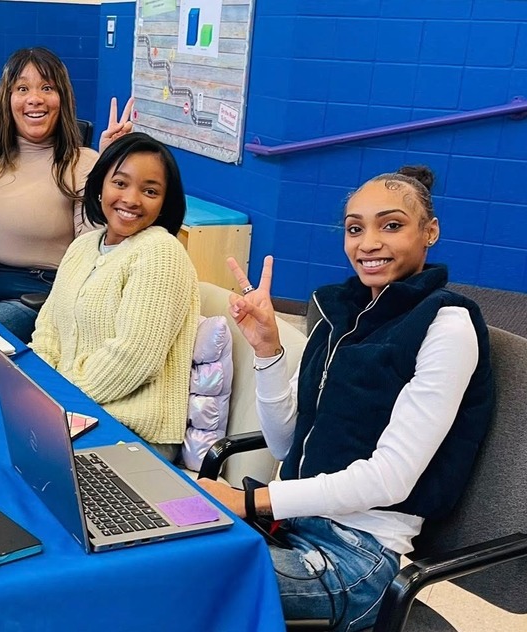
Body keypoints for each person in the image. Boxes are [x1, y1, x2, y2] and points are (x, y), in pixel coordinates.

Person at [196, 166, 495, 630]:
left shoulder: (447, 325)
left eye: (391, 225)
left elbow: (390, 481)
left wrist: (255, 501)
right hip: (289, 523)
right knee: (153, 548)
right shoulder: (342, 315)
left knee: (182, 583)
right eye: (355, 228)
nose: (368, 242)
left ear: (429, 232)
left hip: (357, 556)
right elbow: (283, 446)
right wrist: (268, 350)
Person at [0, 46, 133, 342]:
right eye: (22, 88)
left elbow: (93, 251)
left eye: (47, 87)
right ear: (7, 100)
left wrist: (109, 170)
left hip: (38, 296)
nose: (34, 98)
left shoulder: (83, 162)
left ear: (62, 99)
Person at [30, 132, 198, 460]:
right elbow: (48, 333)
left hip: (130, 433)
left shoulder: (161, 251)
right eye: (120, 183)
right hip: (70, 412)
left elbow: (133, 359)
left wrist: (57, 399)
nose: (132, 199)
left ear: (166, 201)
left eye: (150, 191)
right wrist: (36, 394)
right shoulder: (82, 246)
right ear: (101, 185)